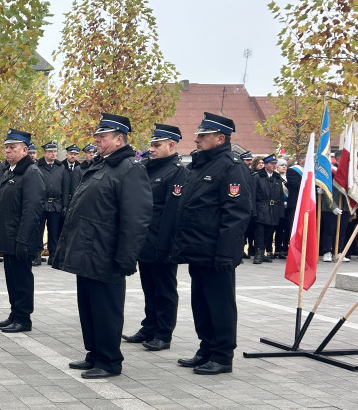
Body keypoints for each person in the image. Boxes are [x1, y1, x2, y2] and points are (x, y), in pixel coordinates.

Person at [52, 114, 151, 378]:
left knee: (106, 310)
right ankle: (94, 354)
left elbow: (136, 218)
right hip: (88, 251)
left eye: (103, 137)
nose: (97, 140)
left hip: (106, 253)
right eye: (97, 136)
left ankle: (109, 361)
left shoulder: (130, 168)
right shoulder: (102, 165)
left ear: (119, 140)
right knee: (89, 307)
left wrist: (126, 258)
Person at [169, 112, 252, 375]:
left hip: (217, 252)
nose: (196, 139)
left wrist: (226, 253)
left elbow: (236, 214)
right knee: (202, 304)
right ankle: (206, 348)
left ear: (220, 138)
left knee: (220, 303)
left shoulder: (231, 166)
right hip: (198, 249)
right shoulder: (201, 165)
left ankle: (222, 355)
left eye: (202, 136)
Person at [123, 124, 184, 351]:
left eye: (157, 145)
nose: (152, 149)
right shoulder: (148, 168)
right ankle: (149, 327)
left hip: (163, 240)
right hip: (145, 239)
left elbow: (172, 211)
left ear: (171, 145)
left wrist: (167, 243)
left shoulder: (177, 171)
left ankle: (163, 333)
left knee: (164, 289)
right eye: (151, 144)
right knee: (149, 287)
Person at [0, 129, 45, 333]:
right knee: (12, 278)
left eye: (12, 147)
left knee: (22, 279)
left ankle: (23, 318)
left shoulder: (31, 172)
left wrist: (23, 240)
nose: (7, 151)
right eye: (6, 147)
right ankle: (14, 314)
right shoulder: (9, 171)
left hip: (20, 239)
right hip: (9, 237)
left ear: (24, 150)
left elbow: (32, 209)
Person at [34, 142, 66, 266]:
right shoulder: (38, 167)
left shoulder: (61, 167)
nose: (53, 154)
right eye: (50, 152)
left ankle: (53, 255)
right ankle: (37, 254)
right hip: (41, 203)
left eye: (54, 152)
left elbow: (65, 187)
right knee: (38, 230)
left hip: (56, 203)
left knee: (54, 231)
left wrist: (64, 205)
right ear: (45, 153)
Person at [252, 155, 286, 263]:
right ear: (265, 165)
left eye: (275, 163)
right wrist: (253, 211)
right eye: (271, 164)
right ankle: (258, 253)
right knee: (259, 233)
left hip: (273, 210)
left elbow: (280, 195)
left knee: (269, 233)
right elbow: (252, 195)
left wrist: (281, 212)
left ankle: (264, 253)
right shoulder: (257, 177)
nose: (274, 165)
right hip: (261, 208)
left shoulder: (277, 177)